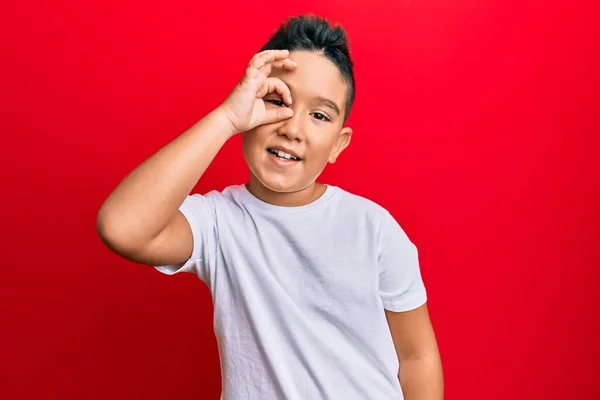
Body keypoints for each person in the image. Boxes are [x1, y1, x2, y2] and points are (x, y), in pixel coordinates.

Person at [97, 14, 444, 400]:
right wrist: (227, 118)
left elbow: (417, 355)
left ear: (338, 144)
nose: (292, 129)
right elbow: (121, 227)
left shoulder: (373, 228)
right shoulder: (219, 223)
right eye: (278, 100)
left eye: (319, 115)